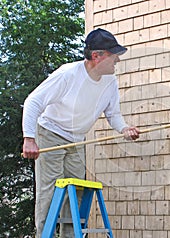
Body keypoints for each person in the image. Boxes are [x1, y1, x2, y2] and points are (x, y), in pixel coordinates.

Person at [22, 28, 140, 237]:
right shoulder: (69, 74)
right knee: (50, 192)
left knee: (75, 193)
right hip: (51, 132)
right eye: (114, 56)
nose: (117, 61)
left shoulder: (110, 82)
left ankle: (70, 236)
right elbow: (33, 101)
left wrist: (124, 128)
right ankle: (43, 235)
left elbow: (113, 114)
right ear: (97, 56)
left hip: (77, 140)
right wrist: (29, 138)